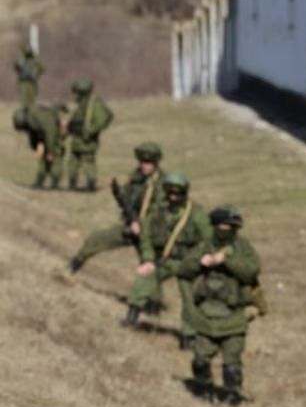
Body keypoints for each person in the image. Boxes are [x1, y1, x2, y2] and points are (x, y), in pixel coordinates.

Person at [176, 206, 261, 405]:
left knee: (232, 365)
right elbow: (184, 271)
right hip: (206, 316)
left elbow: (251, 271)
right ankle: (203, 393)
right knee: (200, 361)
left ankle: (232, 397)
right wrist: (200, 262)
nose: (225, 229)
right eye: (221, 225)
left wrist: (227, 260)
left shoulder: (242, 247)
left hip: (233, 316)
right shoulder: (204, 246)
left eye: (229, 226)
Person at [127, 172, 212, 349]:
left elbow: (208, 240)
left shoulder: (196, 214)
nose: (173, 197)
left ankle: (188, 337)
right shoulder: (158, 211)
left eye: (178, 193)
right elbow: (146, 236)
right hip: (165, 260)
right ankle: (132, 316)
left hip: (188, 262)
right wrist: (148, 259)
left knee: (190, 298)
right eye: (170, 192)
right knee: (145, 279)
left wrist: (198, 259)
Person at [69, 142, 165, 273]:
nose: (144, 165)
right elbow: (127, 198)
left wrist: (141, 225)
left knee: (150, 270)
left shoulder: (162, 183)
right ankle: (70, 269)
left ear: (156, 163)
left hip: (149, 233)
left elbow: (160, 211)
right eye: (142, 161)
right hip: (131, 226)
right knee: (95, 240)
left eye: (148, 162)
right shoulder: (137, 177)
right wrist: (117, 191)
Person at [65, 78, 114, 191]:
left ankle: (91, 185)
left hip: (86, 140)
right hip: (76, 139)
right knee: (73, 163)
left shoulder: (95, 104)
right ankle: (72, 184)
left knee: (88, 163)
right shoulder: (82, 103)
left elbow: (102, 120)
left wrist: (90, 131)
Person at [12, 43, 44, 109]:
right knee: (24, 100)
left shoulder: (35, 60)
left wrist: (36, 74)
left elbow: (42, 68)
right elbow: (16, 67)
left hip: (32, 82)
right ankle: (25, 112)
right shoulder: (21, 59)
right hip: (23, 82)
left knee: (32, 99)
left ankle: (31, 112)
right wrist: (19, 69)